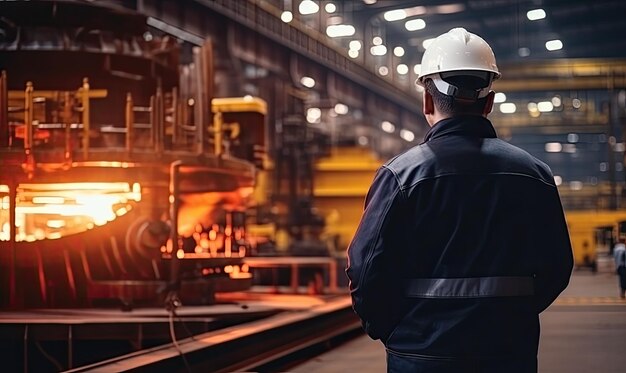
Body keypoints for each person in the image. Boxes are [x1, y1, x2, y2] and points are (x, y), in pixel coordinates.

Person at [346, 28, 573, 373]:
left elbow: (365, 270)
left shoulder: (400, 175)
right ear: (489, 102)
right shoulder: (534, 175)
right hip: (508, 353)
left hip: (420, 355)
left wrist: (395, 331)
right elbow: (557, 268)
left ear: (426, 100)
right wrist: (512, 318)